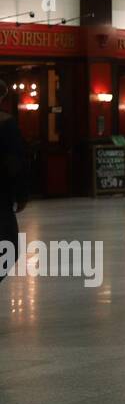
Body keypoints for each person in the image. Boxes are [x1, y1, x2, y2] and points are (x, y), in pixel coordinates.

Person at [1, 83, 30, 286]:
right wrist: (21, 193)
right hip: (0, 196)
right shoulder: (6, 123)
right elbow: (15, 161)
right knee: (8, 245)